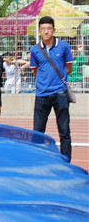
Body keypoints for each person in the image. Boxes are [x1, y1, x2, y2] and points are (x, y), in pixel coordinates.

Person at [30, 16, 74, 161]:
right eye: (43, 29)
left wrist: (56, 80)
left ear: (54, 30)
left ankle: (66, 160)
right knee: (38, 131)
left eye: (49, 28)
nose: (46, 31)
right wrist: (44, 82)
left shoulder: (64, 46)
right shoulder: (35, 49)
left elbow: (68, 68)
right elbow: (36, 71)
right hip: (41, 94)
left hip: (60, 93)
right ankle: (37, 159)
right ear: (39, 30)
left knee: (64, 131)